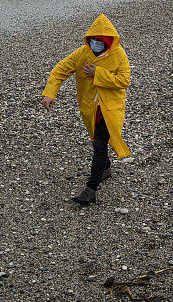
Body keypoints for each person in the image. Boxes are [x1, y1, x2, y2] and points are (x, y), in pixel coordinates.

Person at [40, 13, 131, 205]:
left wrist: (98, 73)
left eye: (100, 40)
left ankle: (91, 188)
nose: (96, 43)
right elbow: (59, 71)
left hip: (110, 108)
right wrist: (49, 93)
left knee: (99, 144)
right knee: (98, 142)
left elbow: (124, 81)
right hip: (90, 107)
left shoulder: (118, 55)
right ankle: (105, 168)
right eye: (93, 39)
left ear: (108, 41)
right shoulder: (82, 54)